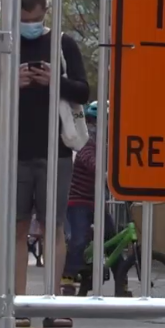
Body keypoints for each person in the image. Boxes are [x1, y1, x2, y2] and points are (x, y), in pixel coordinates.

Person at [0, 0, 90, 328]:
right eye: (24, 18)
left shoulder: (62, 44)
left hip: (55, 149)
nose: (30, 24)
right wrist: (15, 81)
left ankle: (52, 303)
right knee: (17, 228)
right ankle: (18, 305)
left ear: (45, 12)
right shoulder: (3, 46)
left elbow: (83, 91)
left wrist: (52, 80)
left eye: (35, 17)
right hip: (15, 150)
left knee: (54, 228)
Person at [64, 102, 115, 282]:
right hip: (78, 201)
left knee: (113, 239)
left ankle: (121, 282)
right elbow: (90, 161)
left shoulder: (111, 145)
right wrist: (108, 174)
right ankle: (68, 276)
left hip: (97, 201)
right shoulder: (87, 142)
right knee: (79, 239)